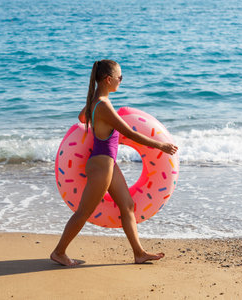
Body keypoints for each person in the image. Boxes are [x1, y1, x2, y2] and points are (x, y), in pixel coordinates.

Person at [50, 60, 178, 266]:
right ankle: (59, 251)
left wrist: (93, 105)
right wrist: (160, 146)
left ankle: (139, 253)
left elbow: (82, 117)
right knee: (84, 212)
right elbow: (129, 133)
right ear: (108, 80)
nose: (121, 81)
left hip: (106, 164)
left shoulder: (96, 102)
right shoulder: (104, 105)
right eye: (120, 77)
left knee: (127, 205)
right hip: (102, 166)